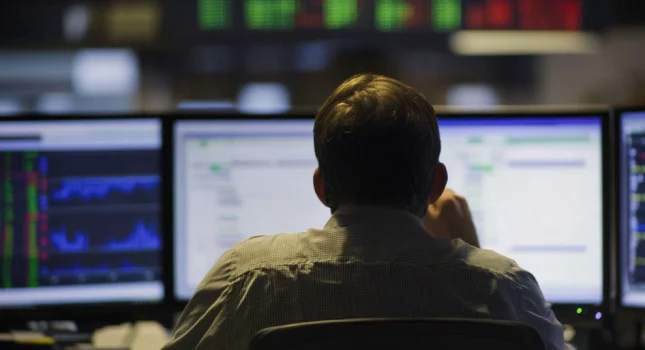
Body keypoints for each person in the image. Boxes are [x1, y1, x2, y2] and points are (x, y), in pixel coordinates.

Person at [164, 74, 566, 350]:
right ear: (436, 185)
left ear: (321, 187)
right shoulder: (504, 286)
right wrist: (472, 256)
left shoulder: (247, 277)